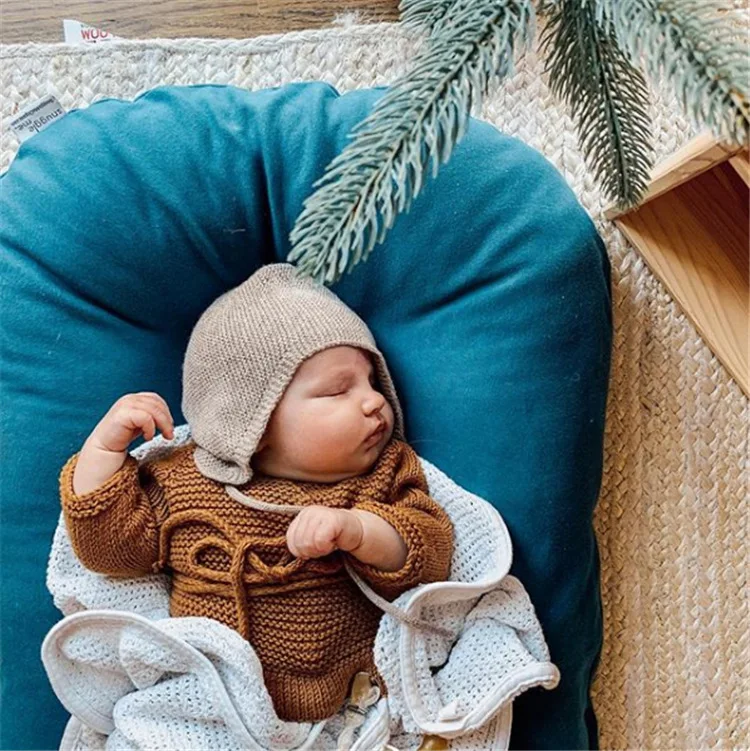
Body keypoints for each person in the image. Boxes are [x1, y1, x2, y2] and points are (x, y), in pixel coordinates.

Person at [59, 263, 454, 723]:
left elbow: (431, 553)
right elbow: (110, 552)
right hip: (210, 703)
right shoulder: (184, 482)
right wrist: (103, 453)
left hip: (351, 700)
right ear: (252, 421)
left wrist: (361, 530)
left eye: (371, 381)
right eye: (337, 391)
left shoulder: (383, 473)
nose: (374, 401)